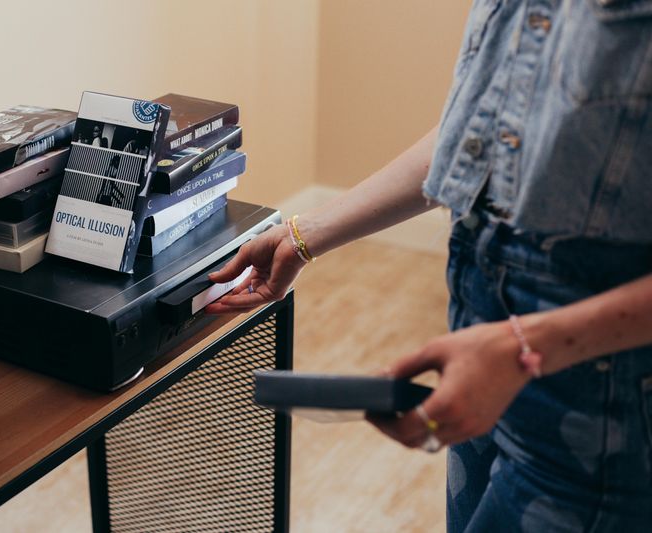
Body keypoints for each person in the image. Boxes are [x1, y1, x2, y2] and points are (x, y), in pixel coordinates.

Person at [206, 2, 652, 531]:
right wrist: (303, 237)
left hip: (600, 395)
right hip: (481, 334)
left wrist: (522, 346)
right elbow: (474, 132)